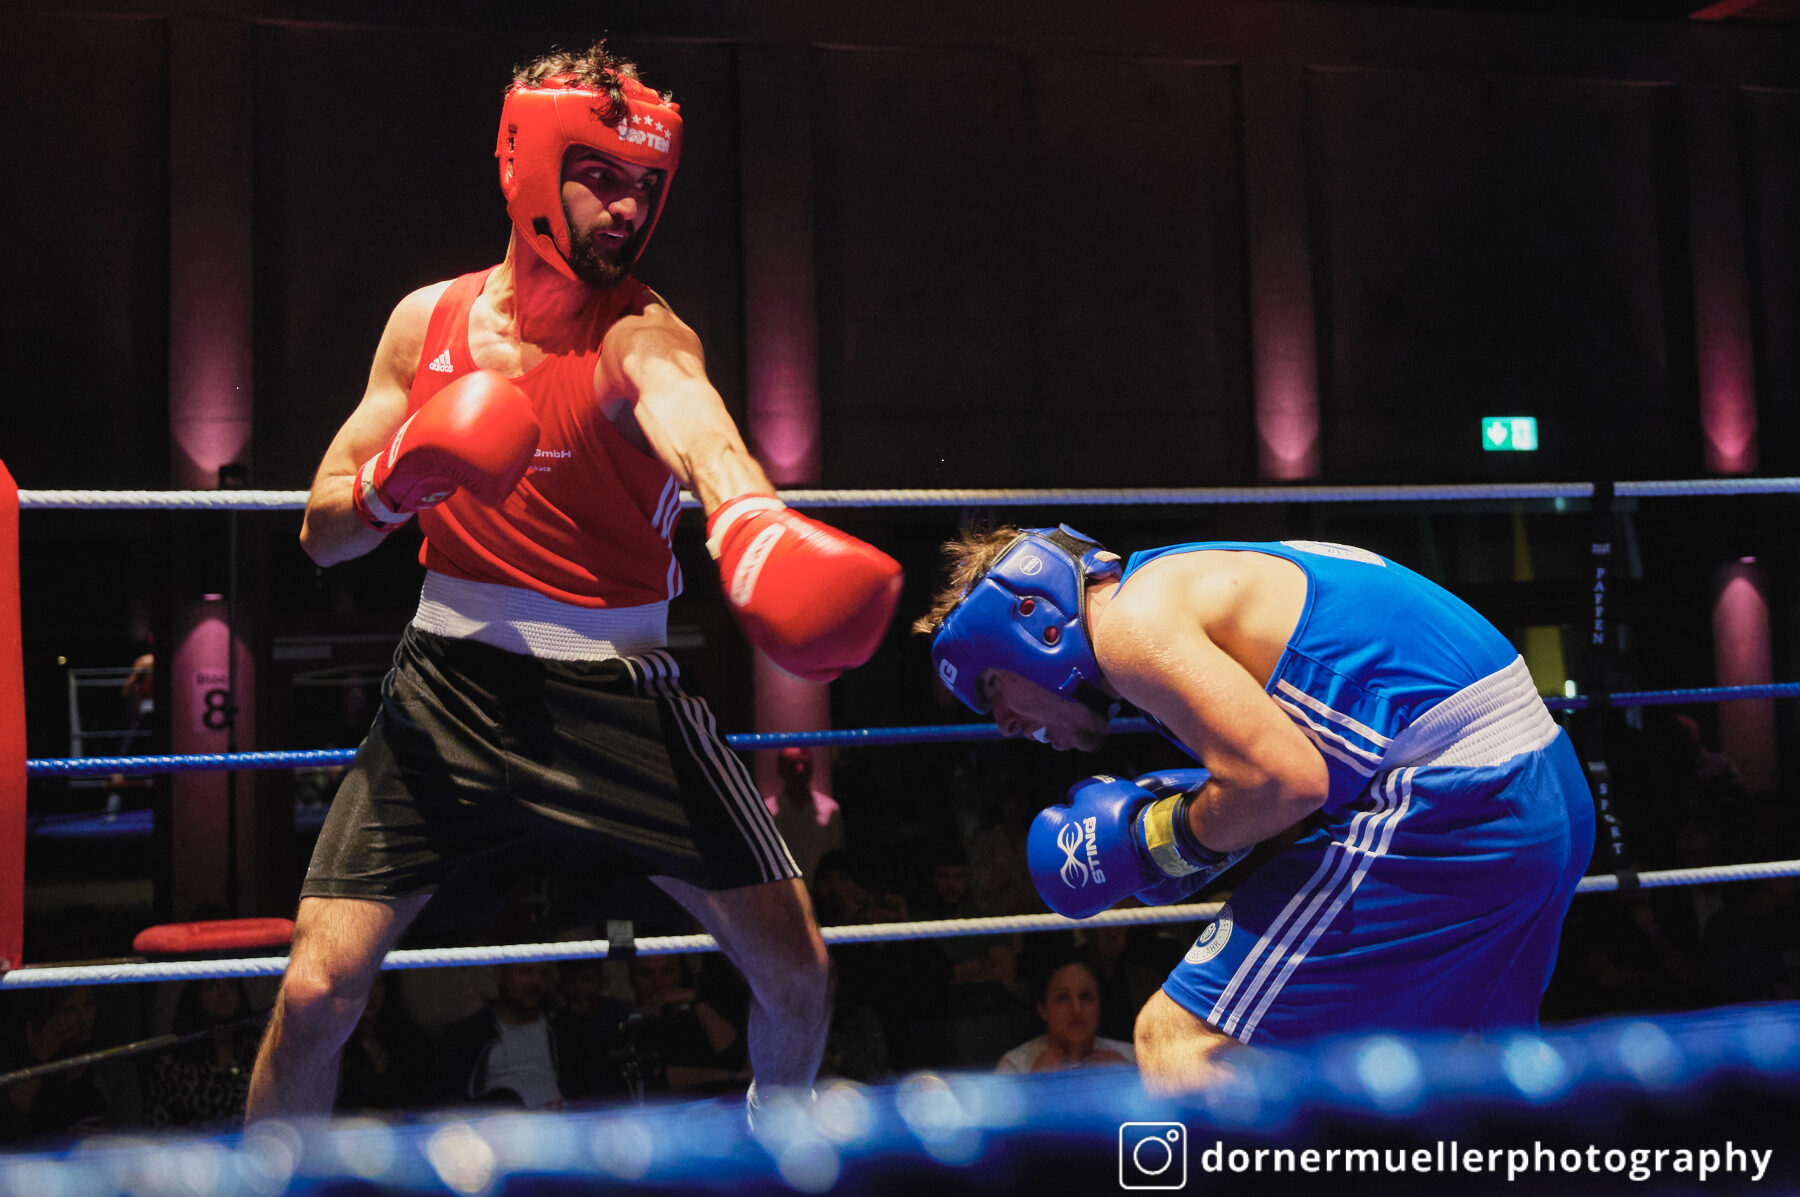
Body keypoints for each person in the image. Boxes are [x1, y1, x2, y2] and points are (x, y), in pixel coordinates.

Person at [246, 40, 902, 1120]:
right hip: (446, 684)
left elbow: (692, 416)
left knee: (798, 975)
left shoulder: (642, 334)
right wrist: (394, 484)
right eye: (601, 175)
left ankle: (771, 1152)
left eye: (646, 184)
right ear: (526, 162)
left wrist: (747, 516)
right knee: (315, 990)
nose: (628, 208)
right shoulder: (426, 324)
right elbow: (321, 535)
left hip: (619, 696)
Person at [917, 526, 1594, 1094]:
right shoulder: (1178, 580)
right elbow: (1301, 777)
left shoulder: (1128, 627)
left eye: (993, 685)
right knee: (1475, 1078)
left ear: (1033, 623)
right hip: (1546, 784)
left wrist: (1160, 839)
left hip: (1463, 801)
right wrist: (1201, 825)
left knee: (1179, 1036)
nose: (1003, 722)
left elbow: (1282, 782)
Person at [995, 960, 1134, 1075]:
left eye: (1085, 996)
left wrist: (1129, 1078)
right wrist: (1036, 1083)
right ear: (1043, 1010)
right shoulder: (1015, 1067)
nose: (1076, 1009)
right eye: (1062, 998)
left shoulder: (1133, 1057)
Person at [761, 746, 844, 879]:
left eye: (805, 763)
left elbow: (836, 858)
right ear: (780, 769)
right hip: (785, 886)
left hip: (820, 887)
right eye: (792, 764)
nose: (800, 769)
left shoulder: (830, 809)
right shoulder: (767, 812)